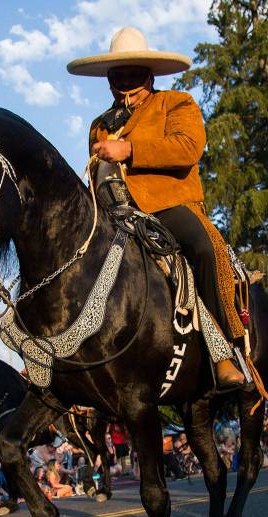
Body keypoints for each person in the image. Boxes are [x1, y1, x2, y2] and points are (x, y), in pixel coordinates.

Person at [68, 26, 246, 390]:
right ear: (109, 80)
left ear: (149, 74)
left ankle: (225, 350)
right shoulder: (99, 125)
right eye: (118, 74)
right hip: (113, 214)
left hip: (167, 205)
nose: (125, 81)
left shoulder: (175, 103)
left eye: (133, 72)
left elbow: (188, 148)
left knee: (205, 247)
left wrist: (129, 150)